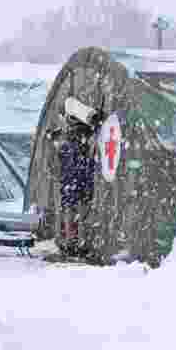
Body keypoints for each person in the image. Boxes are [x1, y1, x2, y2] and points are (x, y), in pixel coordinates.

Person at [57, 98, 102, 259]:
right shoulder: (84, 142)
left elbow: (60, 164)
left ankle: (73, 243)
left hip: (73, 182)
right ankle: (80, 243)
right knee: (81, 212)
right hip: (81, 181)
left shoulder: (67, 144)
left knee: (73, 211)